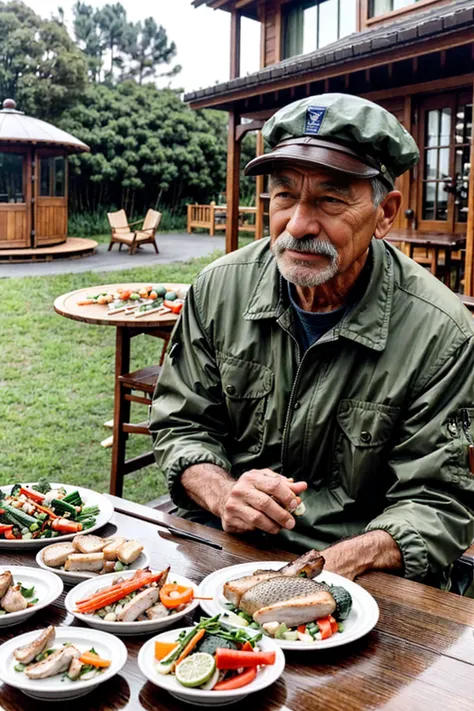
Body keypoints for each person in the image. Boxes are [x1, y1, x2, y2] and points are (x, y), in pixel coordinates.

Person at [150, 94, 474, 588]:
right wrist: (222, 492)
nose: (298, 225)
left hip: (367, 578)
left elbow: (440, 500)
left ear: (385, 213)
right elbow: (181, 423)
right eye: (284, 195)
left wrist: (327, 570)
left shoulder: (442, 332)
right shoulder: (218, 289)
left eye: (330, 199)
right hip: (227, 550)